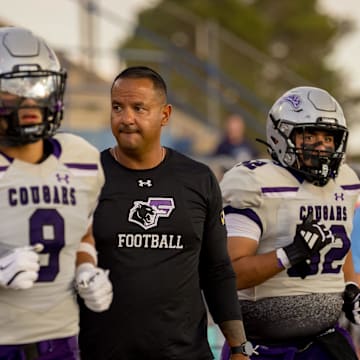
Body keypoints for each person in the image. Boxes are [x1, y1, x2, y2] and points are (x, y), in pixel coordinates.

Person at [78, 65, 251, 360]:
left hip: (185, 353)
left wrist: (238, 347)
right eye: (117, 107)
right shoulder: (87, 177)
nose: (126, 118)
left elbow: (217, 269)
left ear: (165, 115)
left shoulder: (198, 179)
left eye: (139, 108)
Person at [219, 86, 360, 360]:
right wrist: (289, 254)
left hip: (325, 343)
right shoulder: (254, 183)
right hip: (261, 347)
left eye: (328, 137)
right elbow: (229, 275)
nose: (321, 144)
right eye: (310, 135)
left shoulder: (345, 181)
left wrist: (352, 290)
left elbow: (341, 255)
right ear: (282, 135)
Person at [0, 27, 113, 360]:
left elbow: (83, 233)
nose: (31, 100)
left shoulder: (82, 159)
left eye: (39, 85)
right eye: (13, 89)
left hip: (62, 342)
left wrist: (86, 269)